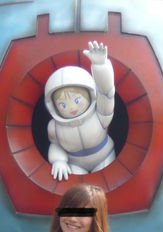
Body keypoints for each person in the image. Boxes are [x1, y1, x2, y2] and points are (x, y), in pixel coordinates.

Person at [44, 41, 116, 181]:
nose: (71, 108)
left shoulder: (100, 114)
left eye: (77, 101)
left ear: (90, 94)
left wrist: (100, 66)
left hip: (104, 157)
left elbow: (107, 93)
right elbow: (55, 145)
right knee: (77, 189)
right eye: (63, 105)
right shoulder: (54, 127)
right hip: (75, 163)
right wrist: (58, 160)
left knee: (107, 183)